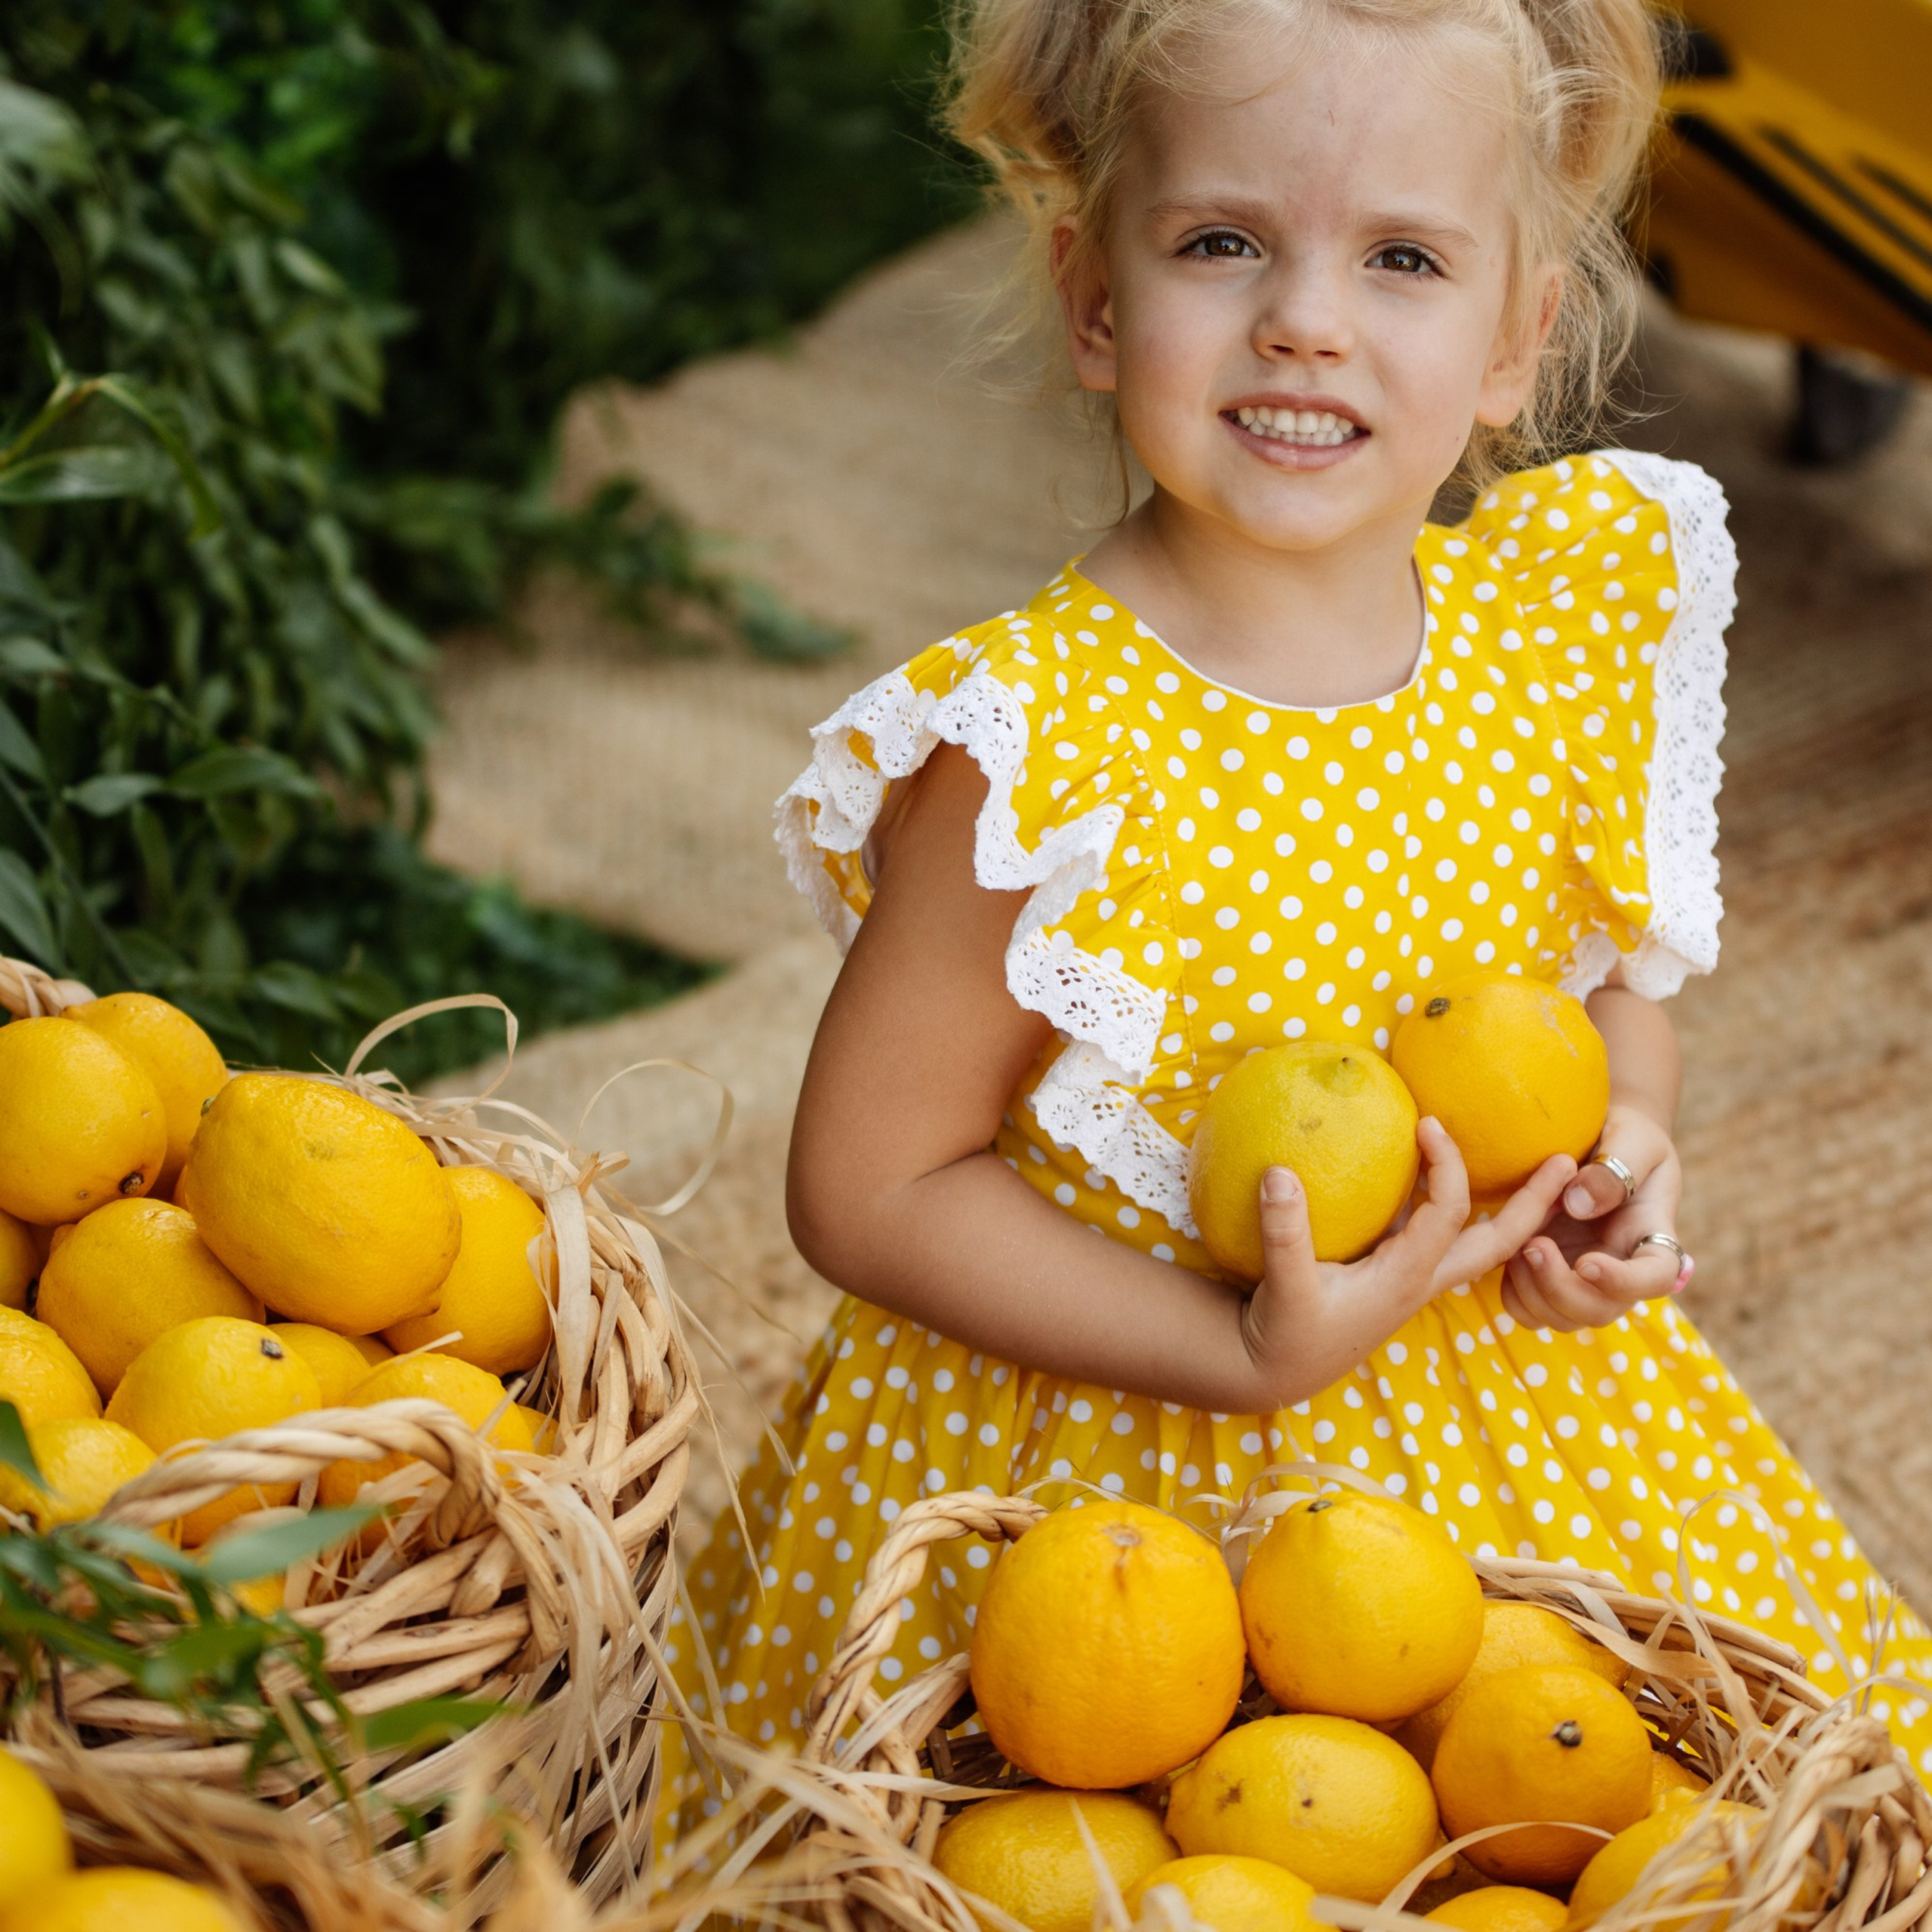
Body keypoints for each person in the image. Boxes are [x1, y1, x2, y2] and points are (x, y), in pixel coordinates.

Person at [657, 0, 1932, 1840]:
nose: (1303, 319)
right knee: (1139, 1851)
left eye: (1400, 257)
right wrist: (1237, 1352)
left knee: (1617, 1816)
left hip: (1496, 1441)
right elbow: (867, 1184)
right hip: (1108, 1496)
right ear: (1095, 298)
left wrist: (1616, 1147)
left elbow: (1591, 998)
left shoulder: (1543, 648)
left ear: (1515, 340)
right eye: (1219, 243)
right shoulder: (1037, 751)